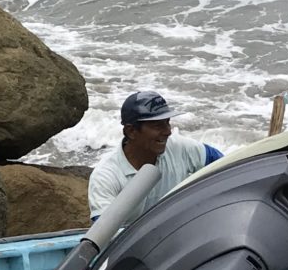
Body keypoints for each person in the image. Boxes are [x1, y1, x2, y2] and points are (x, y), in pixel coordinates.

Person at [85, 90, 223, 224]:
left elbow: (223, 164)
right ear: (131, 131)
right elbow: (103, 235)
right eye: (157, 126)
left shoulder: (177, 146)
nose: (168, 132)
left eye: (167, 122)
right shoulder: (106, 176)